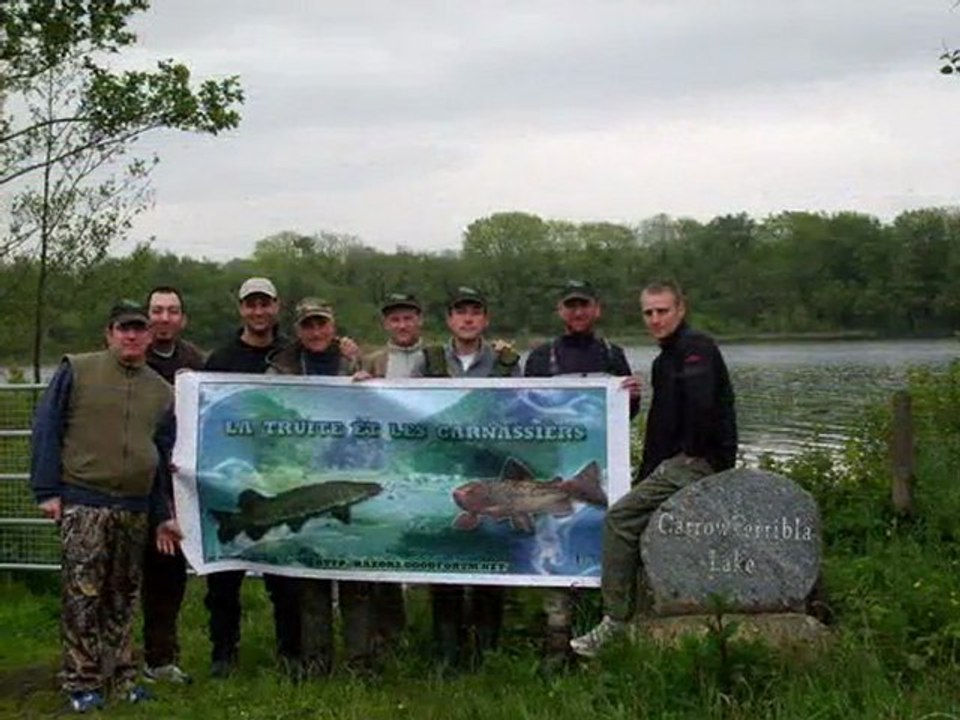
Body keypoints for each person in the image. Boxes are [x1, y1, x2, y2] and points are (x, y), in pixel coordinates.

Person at [570, 280, 737, 657]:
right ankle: (642, 610)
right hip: (676, 463)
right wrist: (648, 474)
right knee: (636, 512)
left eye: (662, 311)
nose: (655, 319)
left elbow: (702, 412)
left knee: (619, 519)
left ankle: (615, 621)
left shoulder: (696, 349)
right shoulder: (665, 360)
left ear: (680, 309)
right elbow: (662, 428)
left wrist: (690, 460)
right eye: (648, 312)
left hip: (699, 463)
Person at [29, 300, 181, 713]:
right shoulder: (77, 370)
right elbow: (47, 427)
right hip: (84, 501)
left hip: (134, 507)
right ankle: (81, 681)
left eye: (138, 329)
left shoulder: (161, 391)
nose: (131, 336)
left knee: (124, 595)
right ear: (109, 333)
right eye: (123, 329)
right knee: (83, 594)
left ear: (150, 335)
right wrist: (47, 490)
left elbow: (161, 457)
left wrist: (164, 513)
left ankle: (122, 676)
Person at [524, 280, 641, 661]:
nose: (577, 312)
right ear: (560, 310)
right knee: (555, 544)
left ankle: (601, 631)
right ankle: (557, 639)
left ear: (596, 309)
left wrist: (633, 397)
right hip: (558, 469)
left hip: (601, 468)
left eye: (584, 305)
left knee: (601, 541)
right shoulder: (541, 358)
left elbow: (628, 416)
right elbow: (524, 416)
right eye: (570, 306)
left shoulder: (613, 354)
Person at [412, 286, 521, 670]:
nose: (468, 318)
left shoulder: (508, 362)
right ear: (449, 320)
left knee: (491, 558)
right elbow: (405, 409)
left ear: (485, 319)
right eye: (461, 312)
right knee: (447, 558)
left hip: (491, 474)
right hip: (448, 474)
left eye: (476, 311)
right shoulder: (428, 362)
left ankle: (486, 652)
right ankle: (447, 652)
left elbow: (522, 415)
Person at [265, 298, 372, 677]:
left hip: (347, 469)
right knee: (311, 582)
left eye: (321, 324)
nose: (315, 332)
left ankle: (360, 664)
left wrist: (369, 382)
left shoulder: (355, 362)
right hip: (302, 478)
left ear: (332, 325)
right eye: (308, 325)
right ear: (298, 330)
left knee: (356, 579)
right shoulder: (281, 369)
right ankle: (316, 664)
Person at [202, 277, 288, 678]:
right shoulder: (219, 359)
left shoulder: (292, 353)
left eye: (264, 304)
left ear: (276, 307)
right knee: (224, 575)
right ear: (241, 309)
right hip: (229, 479)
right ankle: (223, 653)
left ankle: (291, 653)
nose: (258, 311)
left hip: (280, 479)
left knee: (285, 576)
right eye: (250, 304)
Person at [141, 286, 205, 686]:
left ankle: (160, 658)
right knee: (117, 580)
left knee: (168, 577)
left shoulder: (195, 362)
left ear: (182, 319)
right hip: (129, 482)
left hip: (174, 487)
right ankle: (103, 659)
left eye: (172, 311)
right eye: (157, 310)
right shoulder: (130, 356)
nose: (164, 318)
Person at [356, 292, 426, 652]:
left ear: (419, 321)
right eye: (395, 319)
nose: (402, 325)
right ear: (386, 324)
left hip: (425, 464)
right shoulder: (371, 361)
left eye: (408, 318)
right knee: (383, 543)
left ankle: (433, 631)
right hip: (384, 466)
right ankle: (388, 633)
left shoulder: (437, 360)